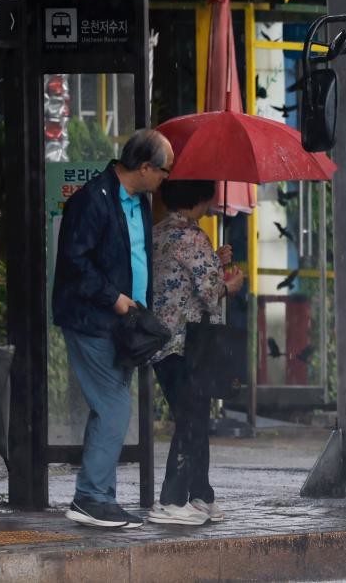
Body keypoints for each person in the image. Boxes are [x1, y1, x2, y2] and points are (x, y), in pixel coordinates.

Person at [52, 128, 173, 528]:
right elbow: (75, 263)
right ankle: (90, 497)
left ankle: (98, 495)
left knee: (110, 407)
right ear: (144, 167)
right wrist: (115, 298)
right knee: (115, 407)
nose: (165, 179)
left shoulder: (138, 202)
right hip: (93, 320)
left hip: (123, 324)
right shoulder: (93, 200)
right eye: (164, 170)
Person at [148, 180, 245, 525]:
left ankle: (201, 494)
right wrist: (231, 283)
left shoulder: (158, 233)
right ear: (200, 199)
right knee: (191, 419)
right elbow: (209, 291)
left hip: (161, 342)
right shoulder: (193, 237)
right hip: (187, 343)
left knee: (194, 417)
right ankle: (172, 500)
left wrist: (213, 260)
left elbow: (179, 274)